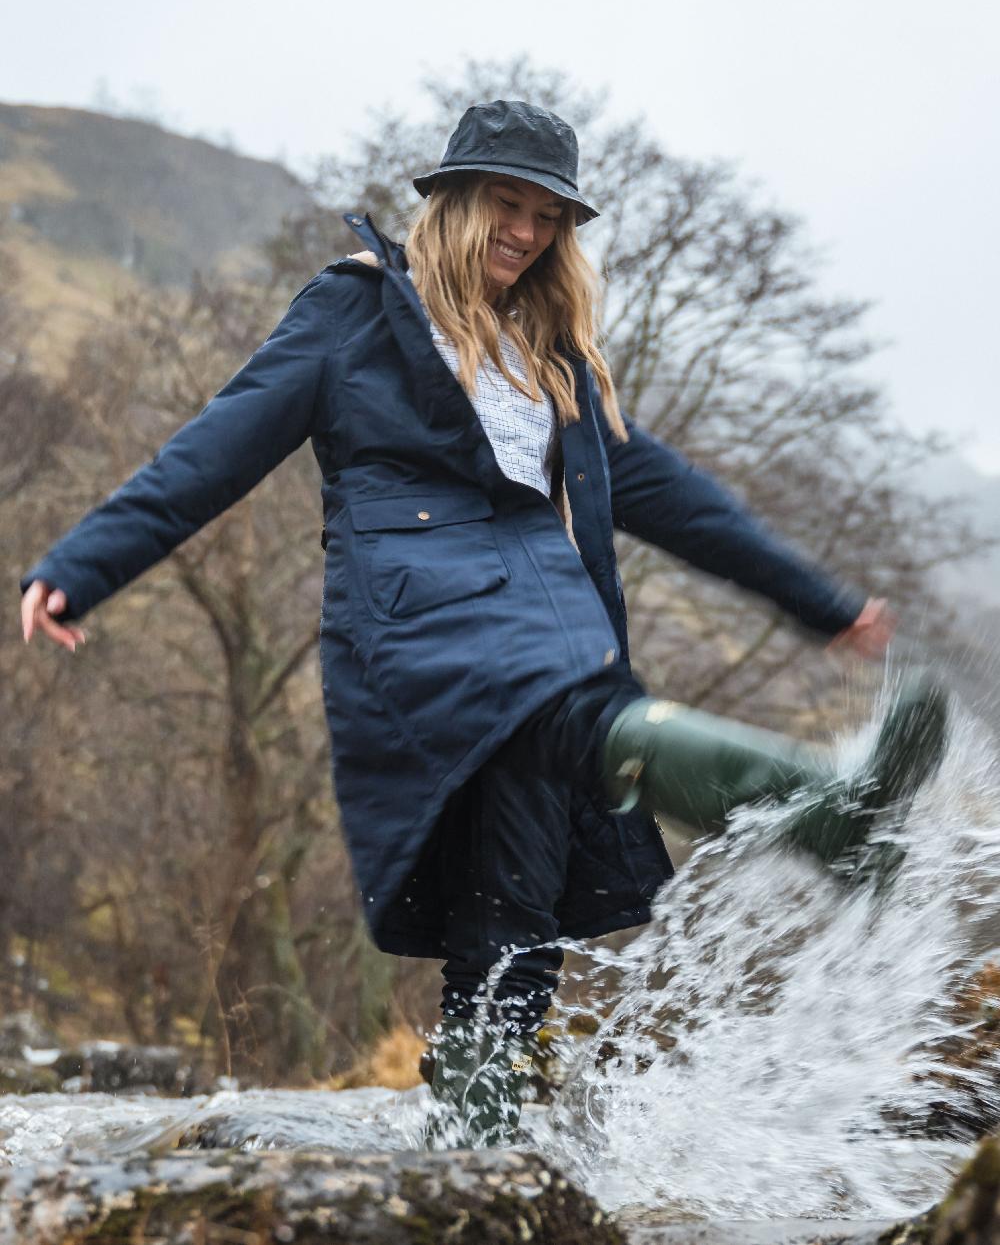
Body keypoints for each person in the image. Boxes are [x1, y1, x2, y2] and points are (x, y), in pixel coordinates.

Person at [20, 100, 947, 1148]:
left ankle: (475, 1153)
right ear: (455, 201)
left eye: (549, 217)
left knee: (515, 906)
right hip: (421, 620)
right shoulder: (356, 312)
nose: (526, 231)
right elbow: (213, 449)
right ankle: (824, 808)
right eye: (508, 204)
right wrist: (80, 567)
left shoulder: (551, 356)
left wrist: (822, 603)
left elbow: (678, 498)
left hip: (543, 614)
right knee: (582, 720)